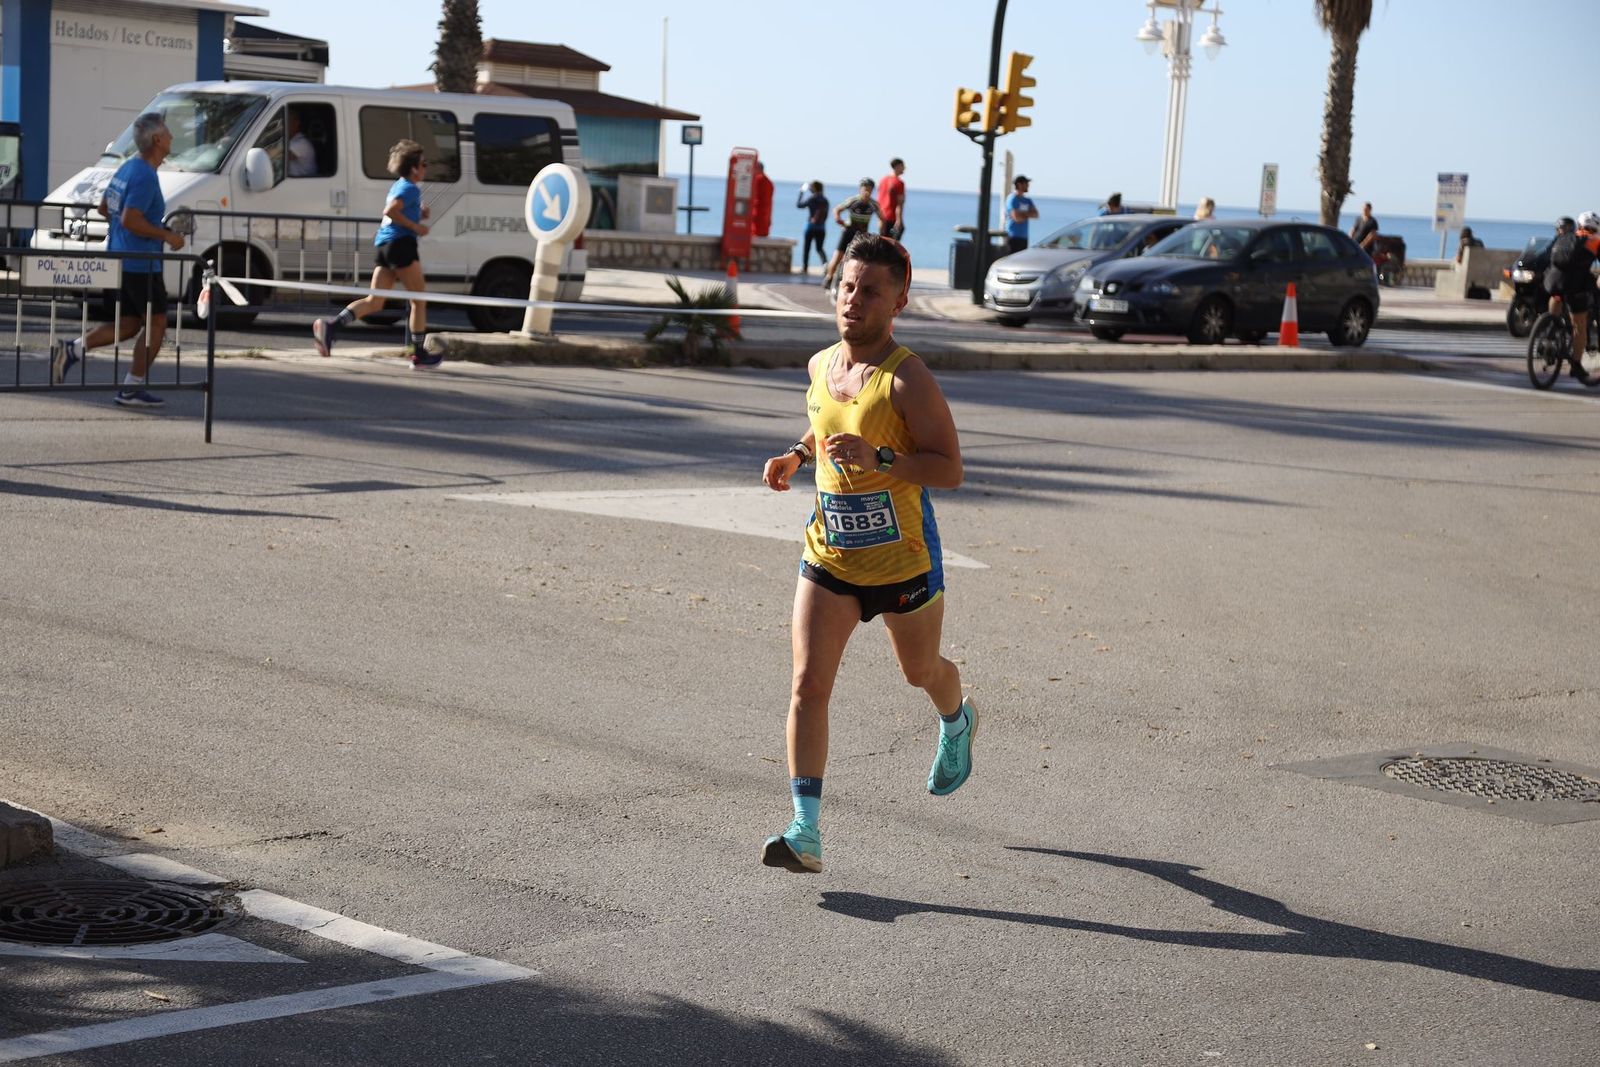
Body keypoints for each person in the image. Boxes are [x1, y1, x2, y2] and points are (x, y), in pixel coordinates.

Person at [758, 233, 975, 874]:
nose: (853, 301)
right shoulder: (820, 365)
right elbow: (826, 422)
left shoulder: (908, 379)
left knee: (921, 671)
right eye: (847, 287)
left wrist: (883, 458)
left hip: (903, 563)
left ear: (899, 300)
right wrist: (798, 455)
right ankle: (805, 831)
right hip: (829, 556)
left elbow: (950, 469)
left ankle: (956, 717)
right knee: (806, 685)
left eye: (870, 291)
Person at [50, 112, 186, 407]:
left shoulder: (127, 168)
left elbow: (104, 207)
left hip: (121, 259)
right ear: (157, 140)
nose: (173, 137)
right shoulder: (145, 175)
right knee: (158, 324)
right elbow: (129, 219)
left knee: (128, 324)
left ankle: (71, 350)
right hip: (141, 264)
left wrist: (140, 229)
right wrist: (166, 235)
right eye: (168, 133)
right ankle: (131, 389)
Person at [311, 139, 439, 368]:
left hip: (385, 244)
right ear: (412, 168)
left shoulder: (401, 185)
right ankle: (419, 354)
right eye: (423, 163)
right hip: (401, 245)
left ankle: (331, 327)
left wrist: (419, 215)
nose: (425, 167)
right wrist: (416, 227)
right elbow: (390, 211)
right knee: (419, 300)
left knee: (375, 301)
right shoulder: (409, 187)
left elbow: (395, 212)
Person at [1544, 210, 1600, 384]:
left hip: (1553, 281)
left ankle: (1549, 333)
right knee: (1580, 326)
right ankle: (1576, 365)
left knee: (1557, 296)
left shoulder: (1565, 237)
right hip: (1575, 286)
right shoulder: (1595, 241)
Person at [821, 178, 882, 292]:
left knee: (860, 260)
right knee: (838, 256)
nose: (867, 192)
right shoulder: (853, 201)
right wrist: (839, 220)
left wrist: (881, 232)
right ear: (860, 189)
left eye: (869, 190)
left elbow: (882, 218)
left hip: (862, 235)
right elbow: (837, 209)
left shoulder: (873, 204)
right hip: (848, 232)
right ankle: (829, 278)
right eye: (865, 189)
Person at [796, 180, 829, 274]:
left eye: (811, 187)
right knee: (819, 248)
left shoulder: (812, 199)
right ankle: (825, 264)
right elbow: (826, 215)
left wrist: (801, 192)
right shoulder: (825, 200)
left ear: (814, 188)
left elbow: (799, 205)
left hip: (810, 227)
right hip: (821, 228)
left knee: (807, 248)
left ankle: (805, 268)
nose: (810, 189)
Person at [1005, 175, 1039, 253]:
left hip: (1024, 237)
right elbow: (1017, 218)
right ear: (1019, 185)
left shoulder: (1027, 200)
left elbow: (1036, 214)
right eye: (1026, 183)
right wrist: (1028, 214)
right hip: (1013, 237)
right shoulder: (1012, 199)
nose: (1028, 185)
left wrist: (1023, 214)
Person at [877, 158, 906, 240]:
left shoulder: (883, 180)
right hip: (892, 218)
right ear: (897, 166)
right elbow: (899, 203)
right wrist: (899, 220)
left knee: (883, 243)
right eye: (903, 166)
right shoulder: (899, 183)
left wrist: (879, 218)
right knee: (893, 246)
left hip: (881, 216)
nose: (904, 169)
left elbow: (879, 199)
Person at [287, 109, 316, 178]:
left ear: (296, 123)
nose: (283, 124)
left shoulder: (302, 143)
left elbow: (277, 156)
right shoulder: (291, 140)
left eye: (288, 121)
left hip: (305, 185)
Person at [752, 161, 774, 239]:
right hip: (766, 217)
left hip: (757, 216)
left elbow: (753, 197)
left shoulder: (758, 180)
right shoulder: (769, 182)